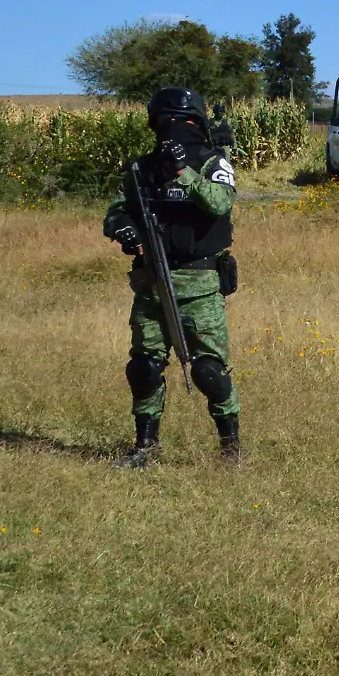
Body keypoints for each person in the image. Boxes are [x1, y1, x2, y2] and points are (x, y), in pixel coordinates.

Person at [101, 87, 243, 467]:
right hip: (152, 283)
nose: (174, 131)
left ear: (198, 124)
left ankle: (231, 450)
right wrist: (123, 228)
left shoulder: (214, 162)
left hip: (199, 286)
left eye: (183, 123)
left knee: (209, 371)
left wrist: (184, 172)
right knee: (143, 367)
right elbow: (116, 211)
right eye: (166, 124)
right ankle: (145, 448)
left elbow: (219, 202)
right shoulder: (141, 169)